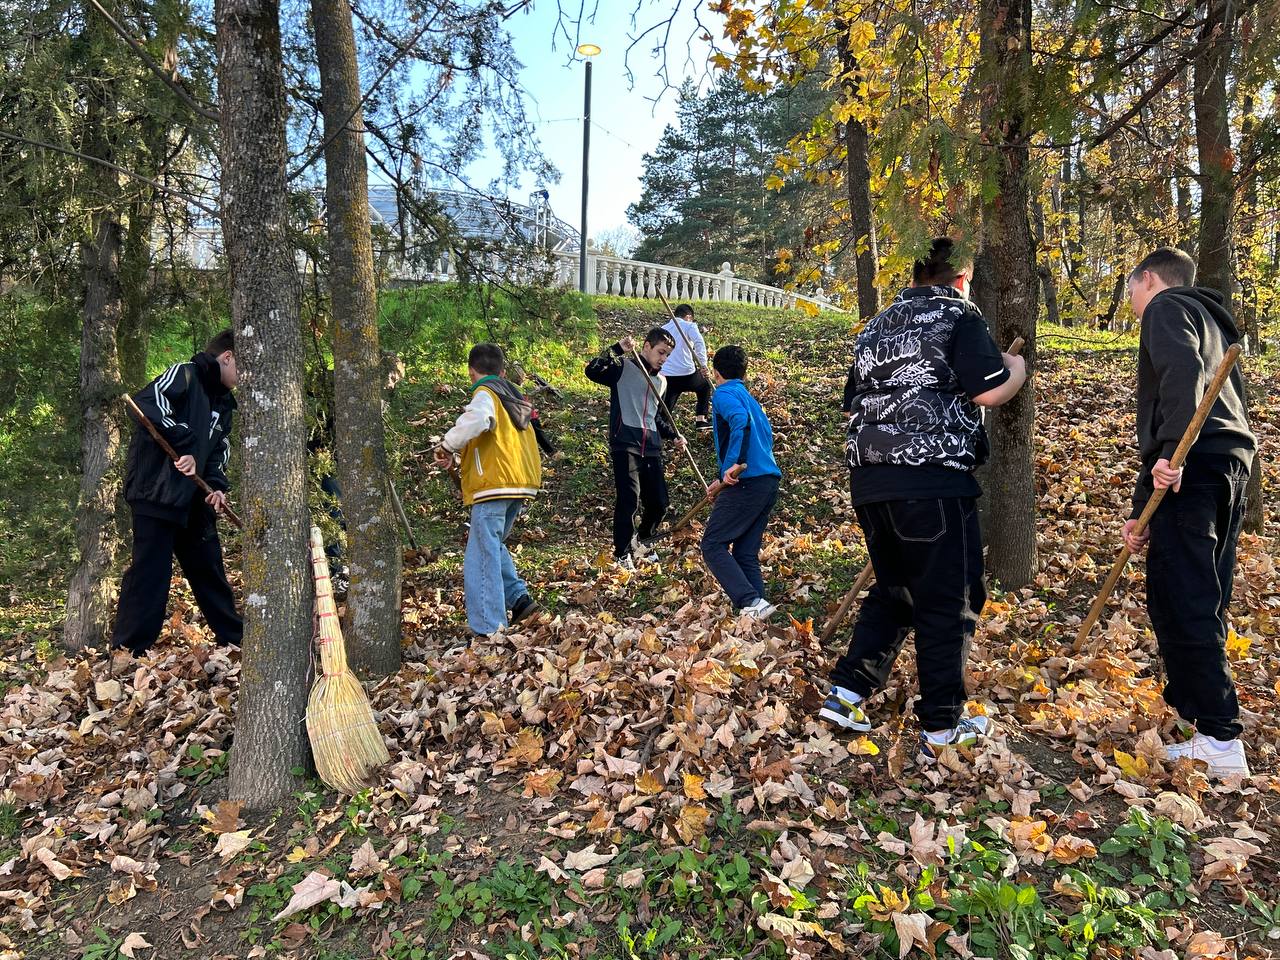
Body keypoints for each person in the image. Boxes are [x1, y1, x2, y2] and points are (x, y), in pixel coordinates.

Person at [819, 237, 1027, 764]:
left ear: (913, 275)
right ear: (962, 278)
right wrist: (1016, 371)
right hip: (932, 478)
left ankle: (846, 694)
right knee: (948, 599)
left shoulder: (876, 326)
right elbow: (987, 391)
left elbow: (852, 404)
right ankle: (942, 724)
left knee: (897, 590)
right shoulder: (959, 314)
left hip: (870, 480)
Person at [1121, 247, 1256, 778]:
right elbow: (1194, 394)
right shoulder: (1212, 320)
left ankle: (1221, 734)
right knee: (1204, 590)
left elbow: (1182, 374)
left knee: (1184, 595)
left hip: (1194, 468)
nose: (1131, 301)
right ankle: (1196, 715)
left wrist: (1175, 449)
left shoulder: (1165, 307)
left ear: (1149, 279)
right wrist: (1143, 511)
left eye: (1131, 288)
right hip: (1225, 466)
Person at [112, 329, 242, 655]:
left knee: (210, 569)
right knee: (150, 572)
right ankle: (129, 650)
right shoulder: (185, 373)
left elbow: (217, 452)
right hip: (156, 491)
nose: (246, 377)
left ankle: (236, 641)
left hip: (194, 499)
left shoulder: (225, 404)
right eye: (244, 366)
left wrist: (216, 487)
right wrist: (185, 443)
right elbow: (148, 402)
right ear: (227, 356)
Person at [434, 344, 543, 636]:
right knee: (492, 544)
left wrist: (447, 444)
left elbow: (479, 420)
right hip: (518, 482)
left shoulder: (485, 393)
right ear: (503, 371)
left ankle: (488, 628)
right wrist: (458, 459)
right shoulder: (513, 396)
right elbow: (494, 441)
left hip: (495, 484)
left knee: (481, 554)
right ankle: (520, 601)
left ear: (472, 372)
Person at [585, 328, 685, 570]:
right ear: (646, 347)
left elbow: (656, 416)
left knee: (659, 502)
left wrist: (674, 435)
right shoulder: (623, 369)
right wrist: (617, 349)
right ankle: (621, 552)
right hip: (625, 443)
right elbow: (592, 369)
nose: (663, 358)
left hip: (650, 446)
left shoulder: (661, 381)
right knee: (629, 499)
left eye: (668, 355)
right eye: (661, 352)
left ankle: (643, 541)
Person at [701, 345, 782, 619]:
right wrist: (720, 477)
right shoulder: (748, 397)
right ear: (744, 372)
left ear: (715, 372)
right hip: (767, 481)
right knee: (745, 552)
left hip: (747, 481)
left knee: (712, 544)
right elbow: (760, 437)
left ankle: (749, 601)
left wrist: (736, 465)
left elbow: (740, 423)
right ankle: (759, 612)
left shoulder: (723, 394)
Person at [661, 304, 712, 431]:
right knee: (704, 384)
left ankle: (662, 427)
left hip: (666, 375)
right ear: (688, 316)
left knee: (667, 403)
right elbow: (699, 342)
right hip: (686, 374)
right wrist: (703, 364)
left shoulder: (663, 328)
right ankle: (701, 419)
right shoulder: (689, 325)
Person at [505, 362, 558, 457]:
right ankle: (551, 452)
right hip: (528, 416)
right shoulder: (516, 388)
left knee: (536, 435)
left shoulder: (514, 387)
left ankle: (549, 452)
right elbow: (528, 395)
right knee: (539, 435)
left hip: (525, 415)